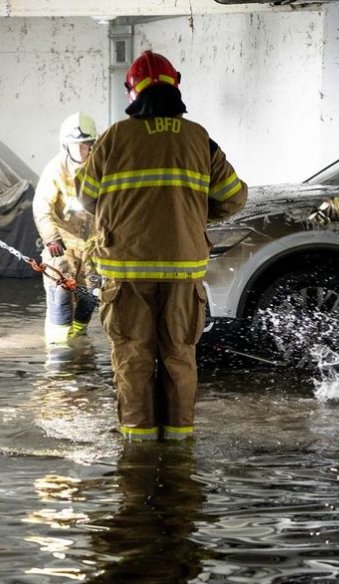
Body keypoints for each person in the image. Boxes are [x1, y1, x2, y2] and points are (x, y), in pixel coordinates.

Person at [77, 51, 247, 442]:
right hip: (183, 274)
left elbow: (86, 197)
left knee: (133, 359)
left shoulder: (114, 137)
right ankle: (178, 452)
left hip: (126, 275)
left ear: (131, 92)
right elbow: (234, 198)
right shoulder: (200, 139)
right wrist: (191, 216)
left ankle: (137, 457)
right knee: (179, 359)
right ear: (176, 84)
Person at [33, 112, 99, 346]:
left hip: (93, 249)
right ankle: (59, 354)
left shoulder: (101, 167)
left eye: (86, 146)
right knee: (61, 292)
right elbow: (42, 206)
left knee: (91, 296)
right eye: (76, 147)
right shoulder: (55, 169)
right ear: (65, 145)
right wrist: (52, 237)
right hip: (62, 247)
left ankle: (79, 344)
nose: (81, 152)